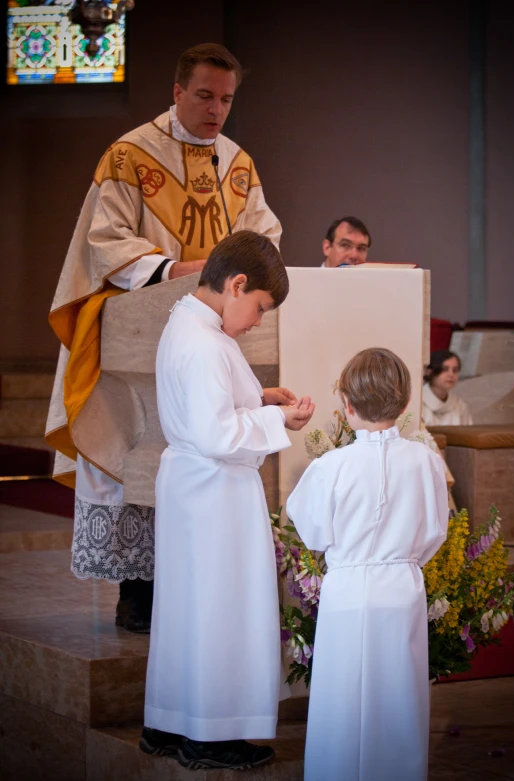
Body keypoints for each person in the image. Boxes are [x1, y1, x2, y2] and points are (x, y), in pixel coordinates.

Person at [45, 43, 281, 632]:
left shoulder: (238, 164)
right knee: (136, 443)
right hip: (136, 325)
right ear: (177, 92)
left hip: (214, 328)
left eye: (227, 99)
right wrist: (175, 270)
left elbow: (264, 235)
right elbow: (106, 239)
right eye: (204, 95)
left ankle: (193, 583)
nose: (216, 110)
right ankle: (139, 591)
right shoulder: (130, 156)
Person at [140, 231, 315, 770]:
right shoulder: (203, 343)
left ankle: (171, 721)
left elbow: (207, 404)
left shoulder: (192, 323)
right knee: (220, 611)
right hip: (213, 493)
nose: (259, 320)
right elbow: (216, 433)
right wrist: (276, 419)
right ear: (236, 285)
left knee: (190, 611)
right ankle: (210, 734)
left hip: (199, 491)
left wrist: (260, 396)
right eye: (260, 307)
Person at [287, 347, 449, 781]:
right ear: (405, 402)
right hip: (402, 587)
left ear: (347, 405)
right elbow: (435, 531)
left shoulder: (332, 466)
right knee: (399, 697)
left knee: (341, 702)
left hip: (347, 592)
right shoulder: (426, 461)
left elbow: (314, 533)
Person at [422, 350, 473, 426]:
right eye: (445, 369)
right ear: (429, 372)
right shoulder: (418, 403)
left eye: (455, 370)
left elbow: (468, 434)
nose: (451, 374)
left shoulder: (459, 406)